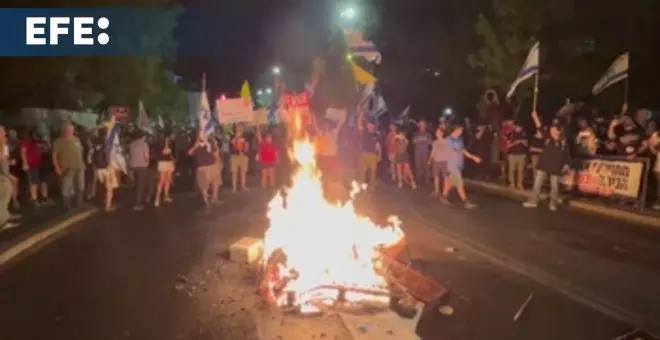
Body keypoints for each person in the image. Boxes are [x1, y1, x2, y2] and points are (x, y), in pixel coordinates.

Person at [523, 111, 570, 211]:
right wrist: (535, 117)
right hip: (544, 163)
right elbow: (540, 128)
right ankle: (533, 201)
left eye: (554, 130)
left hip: (555, 165)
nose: (552, 131)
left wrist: (566, 165)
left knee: (554, 186)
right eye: (551, 129)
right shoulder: (547, 138)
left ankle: (553, 203)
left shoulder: (563, 142)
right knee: (537, 183)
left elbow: (566, 155)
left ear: (559, 131)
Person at [438, 125, 481, 209]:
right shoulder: (448, 140)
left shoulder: (459, 140)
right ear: (455, 130)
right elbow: (451, 152)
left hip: (458, 165)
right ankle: (466, 202)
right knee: (459, 184)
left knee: (449, 184)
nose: (461, 132)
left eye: (461, 131)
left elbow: (463, 151)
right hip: (452, 166)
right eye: (459, 130)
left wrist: (473, 157)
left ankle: (443, 197)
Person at [52, 123, 86, 211]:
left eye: (71, 130)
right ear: (64, 130)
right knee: (66, 187)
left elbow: (80, 152)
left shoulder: (77, 140)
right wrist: (57, 167)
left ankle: (79, 205)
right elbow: (54, 156)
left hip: (79, 167)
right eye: (67, 130)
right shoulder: (58, 142)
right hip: (67, 168)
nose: (69, 132)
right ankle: (67, 206)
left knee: (79, 186)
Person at [188, 133, 220, 208]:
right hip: (202, 167)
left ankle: (214, 198)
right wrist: (195, 146)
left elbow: (216, 153)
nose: (204, 136)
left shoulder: (211, 142)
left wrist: (218, 161)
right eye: (201, 135)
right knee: (204, 185)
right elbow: (189, 152)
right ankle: (206, 201)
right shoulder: (197, 144)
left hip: (212, 165)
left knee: (216, 182)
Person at [90, 128, 117, 212]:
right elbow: (107, 154)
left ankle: (101, 201)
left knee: (101, 186)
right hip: (106, 167)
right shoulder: (106, 142)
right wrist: (110, 165)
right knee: (109, 187)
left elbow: (91, 155)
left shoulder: (94, 142)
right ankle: (107, 205)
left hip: (98, 167)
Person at [0, 126, 18, 229]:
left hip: (4, 173)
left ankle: (6, 216)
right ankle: (2, 222)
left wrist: (10, 162)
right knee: (3, 198)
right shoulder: (2, 145)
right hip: (2, 175)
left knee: (5, 196)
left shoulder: (4, 146)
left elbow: (4, 160)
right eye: (2, 133)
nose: (4, 134)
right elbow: (1, 159)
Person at [20, 130, 44, 207]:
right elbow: (23, 152)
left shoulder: (37, 142)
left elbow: (42, 149)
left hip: (37, 164)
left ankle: (33, 197)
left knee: (34, 182)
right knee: (33, 182)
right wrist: (25, 163)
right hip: (31, 165)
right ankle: (34, 199)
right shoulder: (26, 141)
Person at [356, 113, 381, 187]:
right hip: (365, 154)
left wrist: (379, 155)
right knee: (362, 170)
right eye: (368, 125)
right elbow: (359, 125)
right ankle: (360, 184)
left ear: (373, 126)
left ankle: (371, 185)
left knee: (373, 171)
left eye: (371, 125)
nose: (369, 126)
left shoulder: (376, 134)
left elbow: (378, 145)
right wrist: (361, 115)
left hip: (373, 155)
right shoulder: (364, 132)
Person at [130, 131, 152, 211]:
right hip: (142, 167)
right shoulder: (144, 144)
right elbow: (146, 157)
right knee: (141, 186)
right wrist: (147, 162)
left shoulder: (132, 144)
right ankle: (138, 204)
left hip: (134, 167)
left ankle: (140, 200)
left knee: (138, 185)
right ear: (143, 137)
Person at [154, 132, 175, 207]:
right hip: (162, 163)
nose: (173, 137)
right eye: (171, 135)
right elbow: (160, 153)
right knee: (161, 181)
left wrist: (172, 160)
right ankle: (157, 198)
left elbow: (170, 154)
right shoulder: (159, 143)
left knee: (168, 180)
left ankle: (166, 196)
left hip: (169, 163)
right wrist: (165, 149)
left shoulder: (171, 143)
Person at [506, 120, 528, 190]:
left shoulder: (524, 134)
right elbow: (508, 145)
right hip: (512, 154)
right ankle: (512, 184)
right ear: (515, 127)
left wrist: (523, 142)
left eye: (520, 127)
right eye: (518, 127)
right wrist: (516, 142)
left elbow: (526, 144)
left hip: (522, 154)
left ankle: (520, 184)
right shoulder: (510, 134)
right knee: (512, 170)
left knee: (520, 170)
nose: (519, 128)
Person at [412, 120, 432, 184]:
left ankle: (427, 180)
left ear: (425, 126)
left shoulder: (428, 134)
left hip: (425, 153)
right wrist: (416, 140)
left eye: (423, 125)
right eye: (420, 125)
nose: (421, 126)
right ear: (419, 126)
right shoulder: (416, 133)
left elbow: (431, 143)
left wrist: (427, 141)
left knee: (426, 167)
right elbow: (413, 142)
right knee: (418, 166)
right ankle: (418, 180)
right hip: (417, 153)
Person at [230, 126, 250, 192]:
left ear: (242, 130)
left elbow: (247, 146)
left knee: (243, 172)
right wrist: (236, 137)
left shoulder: (246, 137)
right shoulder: (232, 136)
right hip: (234, 156)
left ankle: (243, 186)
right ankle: (234, 188)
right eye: (238, 129)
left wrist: (244, 152)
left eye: (241, 129)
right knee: (234, 172)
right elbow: (232, 142)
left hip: (243, 156)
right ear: (235, 130)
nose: (239, 130)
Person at [429, 127, 446, 196]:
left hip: (444, 161)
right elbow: (433, 152)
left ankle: (445, 192)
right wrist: (430, 160)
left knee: (445, 177)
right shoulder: (435, 142)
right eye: (436, 131)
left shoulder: (446, 141)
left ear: (442, 133)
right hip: (436, 161)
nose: (436, 132)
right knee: (436, 176)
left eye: (438, 131)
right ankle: (436, 191)